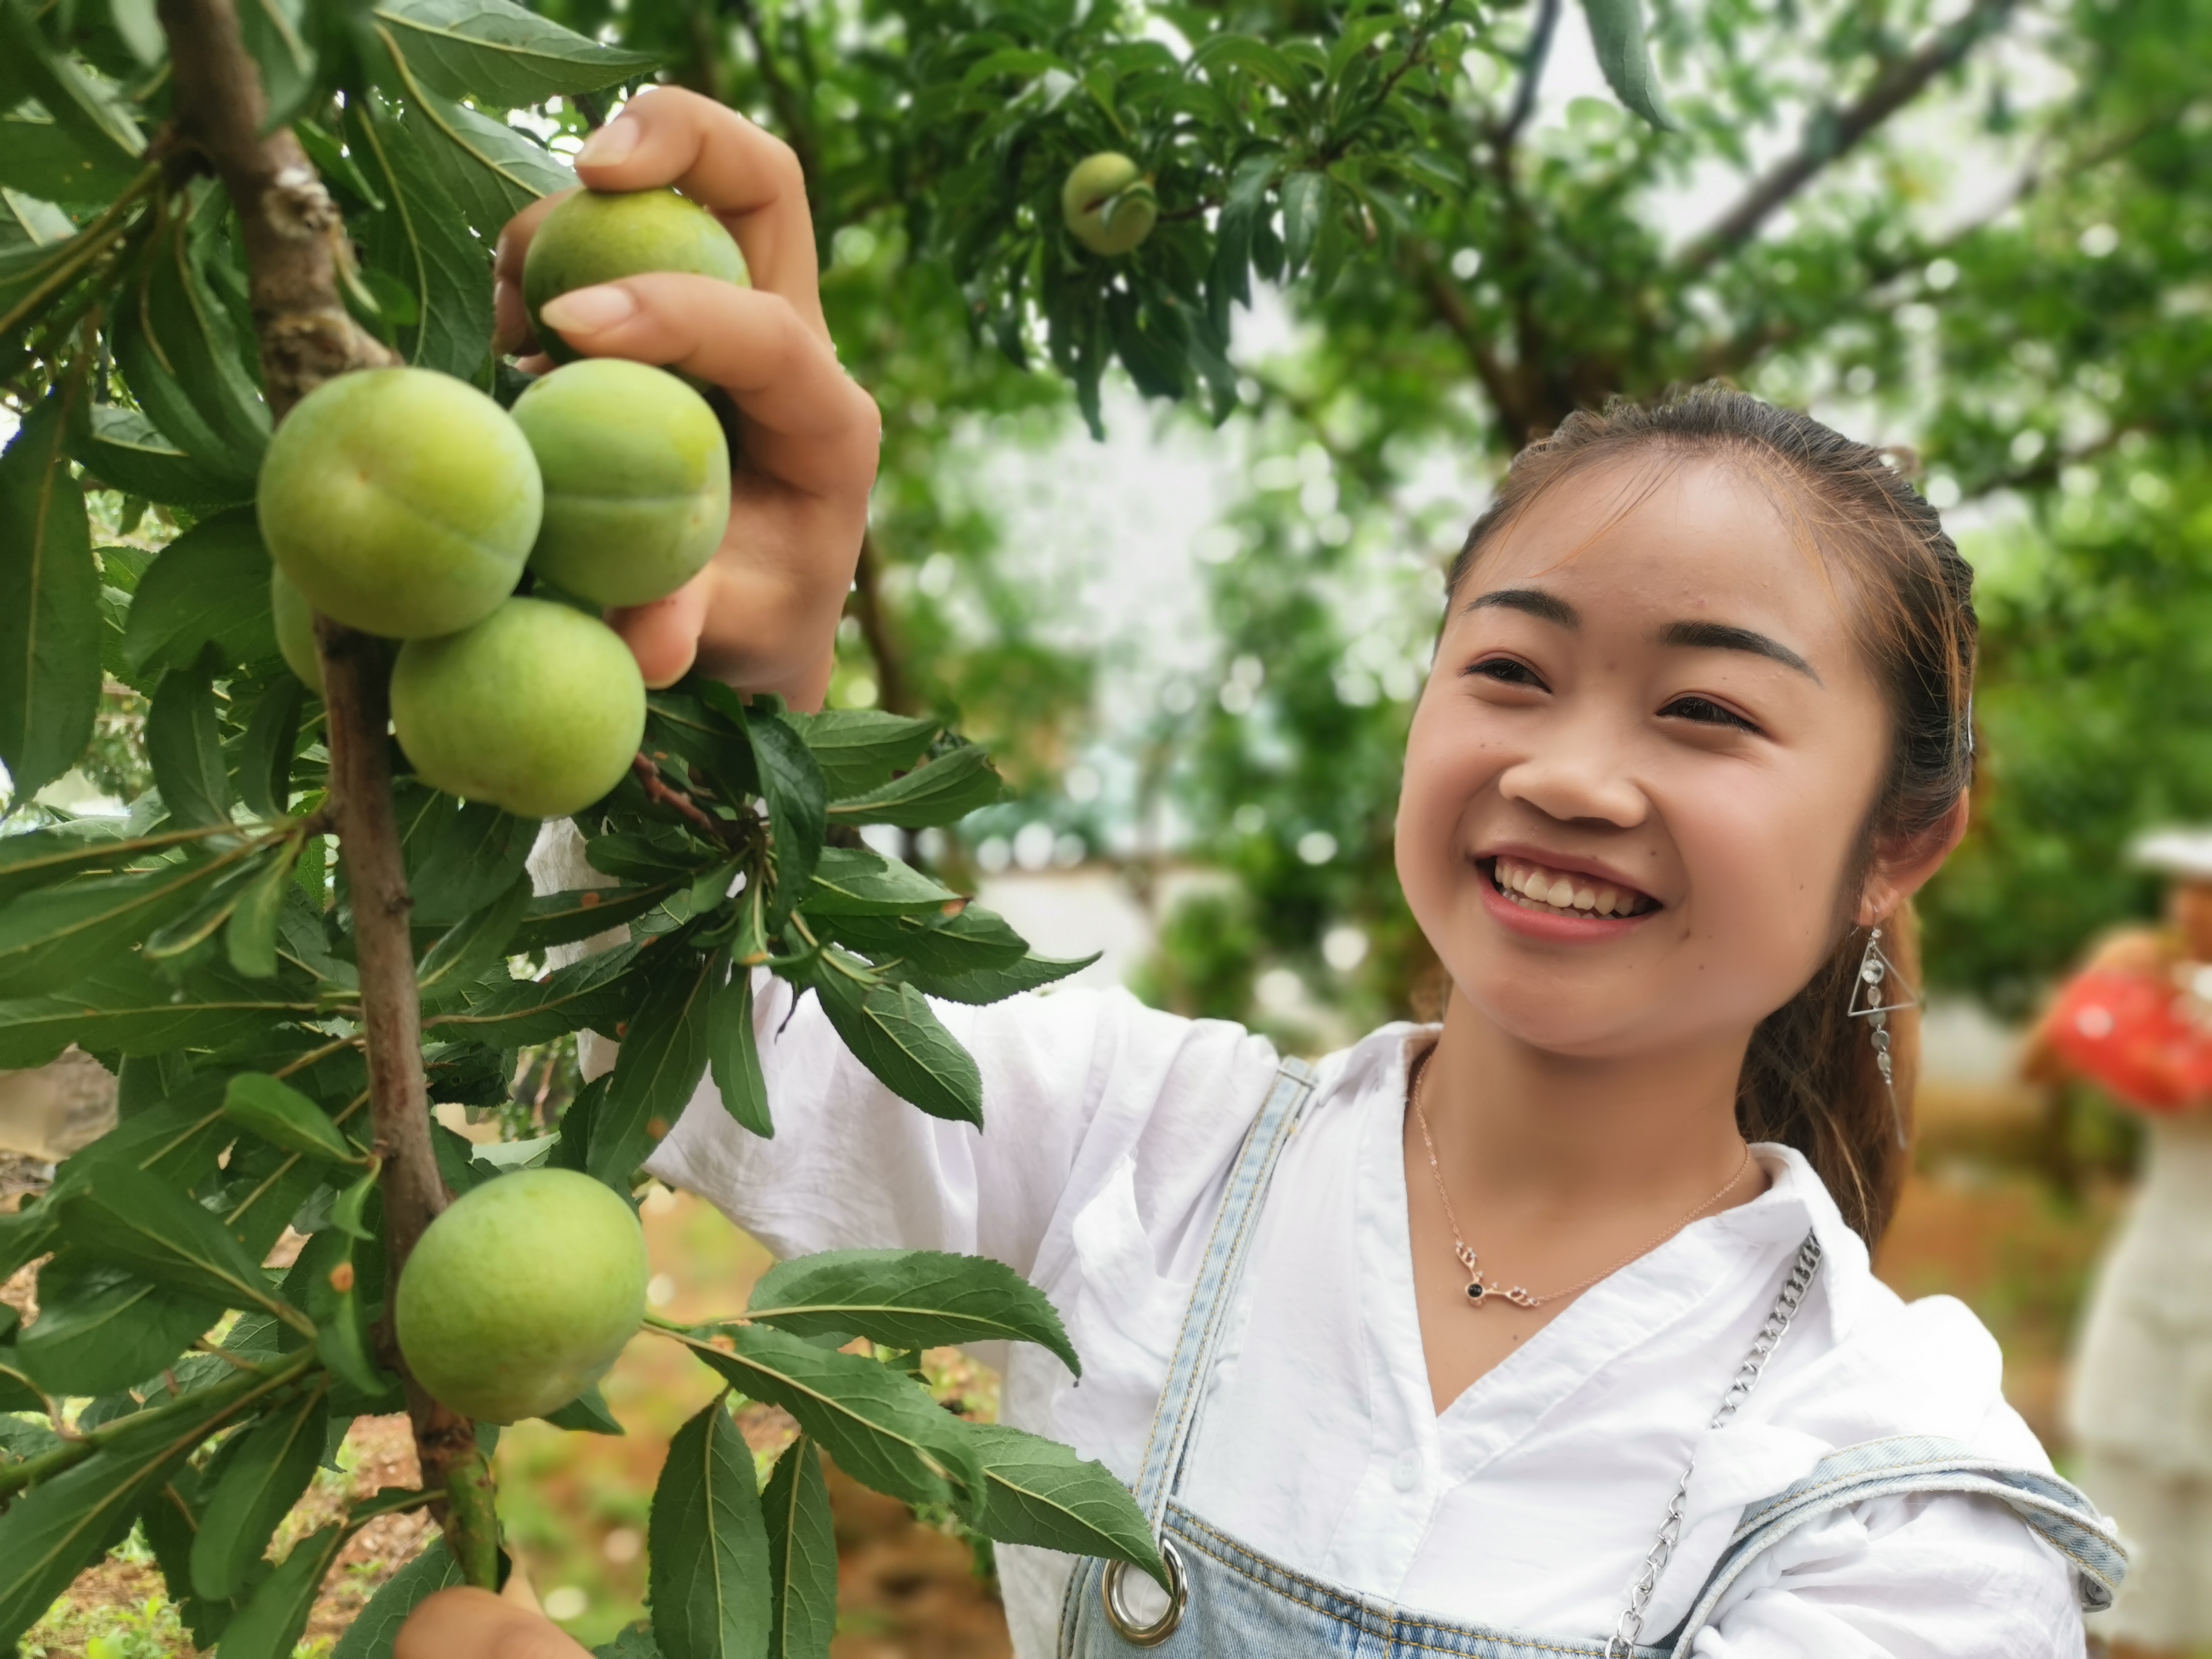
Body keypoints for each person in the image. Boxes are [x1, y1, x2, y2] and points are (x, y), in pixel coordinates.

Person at [397, 87, 2124, 1659]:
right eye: (1510, 671)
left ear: (1897, 845)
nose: (1568, 773)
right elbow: (698, 1030)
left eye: (1709, 711)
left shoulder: (1905, 1509)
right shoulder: (1149, 1149)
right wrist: (717, 695)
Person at [2023, 829, 2212, 1659]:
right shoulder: (2162, 992)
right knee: (2130, 1473)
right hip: (2160, 1255)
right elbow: (2041, 1067)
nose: (2191, 908)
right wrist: (2099, 985)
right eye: (2186, 889)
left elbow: (2182, 1082)